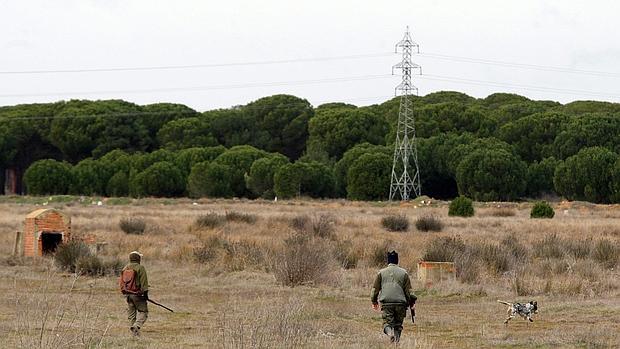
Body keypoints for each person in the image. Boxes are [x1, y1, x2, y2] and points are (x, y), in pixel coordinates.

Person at [371, 250, 417, 343]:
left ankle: (390, 334)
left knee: (387, 323)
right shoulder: (404, 273)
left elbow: (375, 290)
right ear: (397, 261)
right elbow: (409, 291)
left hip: (387, 303)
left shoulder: (381, 273)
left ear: (388, 261)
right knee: (398, 325)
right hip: (401, 304)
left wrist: (374, 301)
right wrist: (412, 303)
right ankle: (396, 343)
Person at [119, 251, 149, 336]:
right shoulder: (140, 268)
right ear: (138, 258)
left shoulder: (125, 268)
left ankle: (134, 333)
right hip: (137, 294)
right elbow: (144, 284)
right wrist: (145, 295)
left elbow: (121, 283)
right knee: (144, 311)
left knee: (132, 314)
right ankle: (137, 326)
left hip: (128, 294)